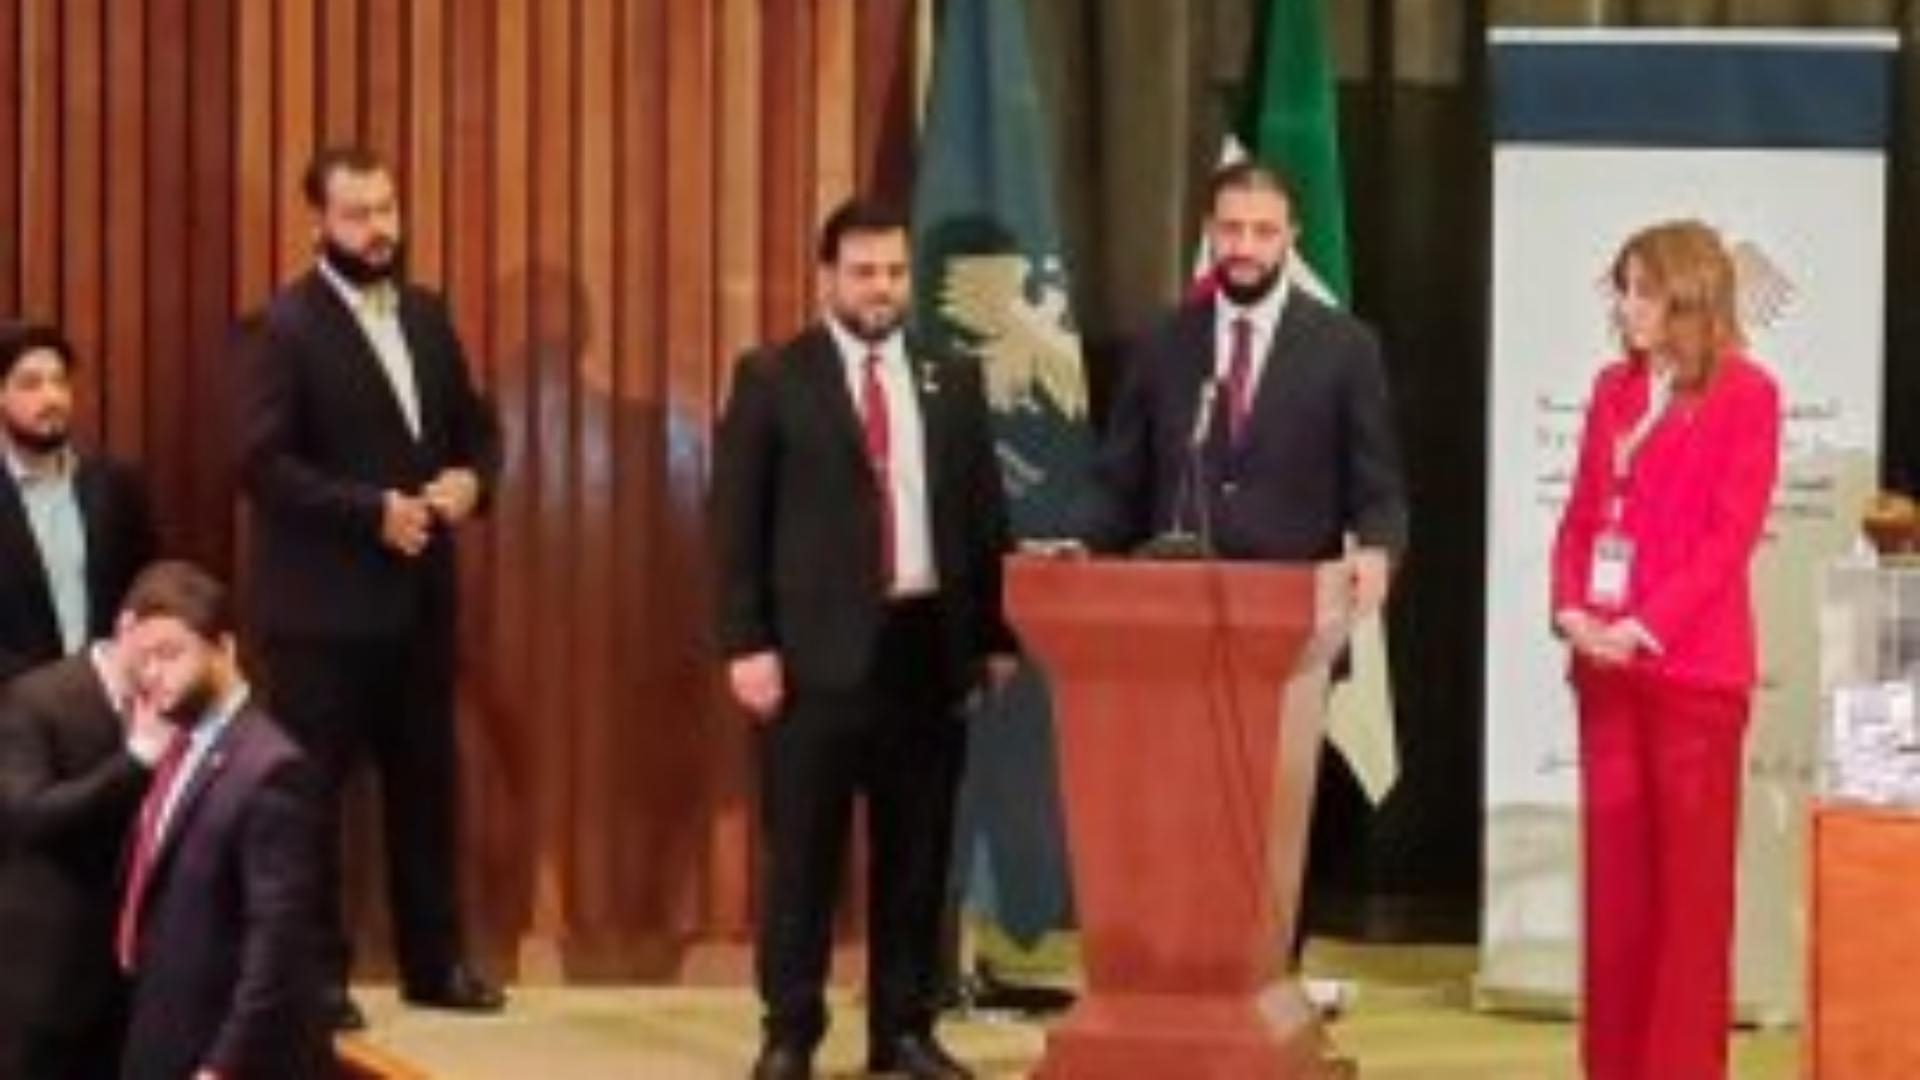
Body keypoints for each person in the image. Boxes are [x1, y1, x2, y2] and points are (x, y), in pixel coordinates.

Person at [711, 197, 1018, 1080]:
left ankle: (903, 1031)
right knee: (803, 861)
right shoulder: (774, 377)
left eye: (893, 272)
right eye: (863, 273)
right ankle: (790, 1033)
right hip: (811, 661)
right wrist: (745, 643)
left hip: (926, 651)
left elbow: (982, 514)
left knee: (916, 856)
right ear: (827, 279)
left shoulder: (950, 377)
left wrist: (995, 635)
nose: (880, 289)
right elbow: (734, 524)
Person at [1076, 160, 1407, 970]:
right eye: (1232, 230)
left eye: (1263, 231)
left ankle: (1269, 976)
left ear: (1292, 237)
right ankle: (1180, 976)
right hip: (1172, 629)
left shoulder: (1345, 347)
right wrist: (1081, 550)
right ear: (1209, 235)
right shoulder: (1163, 344)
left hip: (1289, 631)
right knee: (1178, 810)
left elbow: (1377, 484)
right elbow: (1118, 480)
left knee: (1274, 814)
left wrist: (1377, 550)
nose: (1246, 247)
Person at [238, 144, 504, 1029]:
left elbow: (476, 429)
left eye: (387, 208)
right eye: (357, 214)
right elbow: (263, 466)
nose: (379, 229)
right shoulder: (283, 326)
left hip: (421, 603)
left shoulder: (427, 314)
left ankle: (435, 964)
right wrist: (370, 513)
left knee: (426, 789)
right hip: (322, 614)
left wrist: (472, 481)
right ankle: (315, 979)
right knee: (311, 802)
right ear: (318, 222)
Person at [1550, 220, 1779, 1080]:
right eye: (1624, 288)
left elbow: (1729, 538)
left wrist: (1642, 626)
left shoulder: (1748, 394)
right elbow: (1580, 518)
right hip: (1604, 675)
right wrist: (1572, 609)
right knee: (1617, 897)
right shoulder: (1610, 388)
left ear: (1690, 297)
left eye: (1644, 290)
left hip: (1693, 678)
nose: (1626, 306)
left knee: (1689, 903)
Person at [111, 560, 330, 1080]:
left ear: (224, 649)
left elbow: (276, 941)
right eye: (143, 660)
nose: (153, 674)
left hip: (221, 1051)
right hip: (161, 1027)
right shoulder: (174, 747)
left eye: (170, 653)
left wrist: (223, 1064)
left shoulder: (270, 767)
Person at [0, 606, 175, 1077]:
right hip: (39, 978)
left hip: (123, 979)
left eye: (176, 655)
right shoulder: (35, 699)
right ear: (127, 625)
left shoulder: (178, 702)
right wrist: (135, 761)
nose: (162, 669)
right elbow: (28, 817)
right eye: (157, 650)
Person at [0, 321, 157, 686]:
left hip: (109, 698)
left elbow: (149, 590)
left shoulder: (116, 487)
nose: (51, 398)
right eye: (31, 384)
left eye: (59, 382)